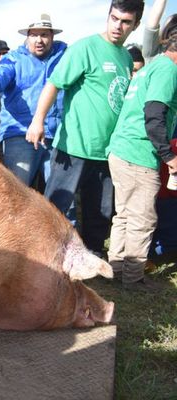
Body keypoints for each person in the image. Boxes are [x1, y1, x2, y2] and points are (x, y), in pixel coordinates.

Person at [26, 0, 144, 256]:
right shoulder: (85, 47)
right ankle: (39, 258)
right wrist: (38, 121)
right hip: (74, 147)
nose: (118, 26)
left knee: (100, 212)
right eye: (114, 18)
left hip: (107, 152)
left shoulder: (125, 56)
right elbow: (54, 84)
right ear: (108, 16)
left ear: (136, 25)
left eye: (126, 22)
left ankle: (92, 261)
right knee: (55, 208)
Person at [106, 24, 177, 291]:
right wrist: (169, 156)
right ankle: (133, 278)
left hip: (121, 148)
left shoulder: (153, 65)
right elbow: (155, 114)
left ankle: (116, 269)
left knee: (124, 215)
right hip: (138, 152)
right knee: (143, 218)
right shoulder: (169, 70)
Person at [0, 14, 67, 188]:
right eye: (34, 35)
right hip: (20, 134)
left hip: (57, 135)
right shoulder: (13, 58)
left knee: (61, 199)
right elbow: (0, 73)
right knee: (18, 193)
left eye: (44, 34)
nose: (39, 40)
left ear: (52, 36)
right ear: (27, 37)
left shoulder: (65, 56)